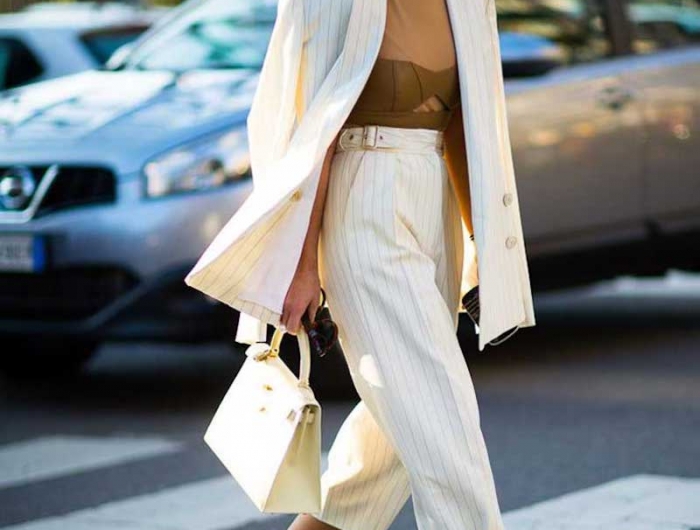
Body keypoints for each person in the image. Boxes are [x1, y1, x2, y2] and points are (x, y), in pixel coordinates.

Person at [280, 0, 518, 529]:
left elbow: (465, 123)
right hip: (364, 196)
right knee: (442, 420)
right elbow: (311, 129)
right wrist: (301, 266)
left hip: (434, 201)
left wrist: (483, 242)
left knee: (393, 434)